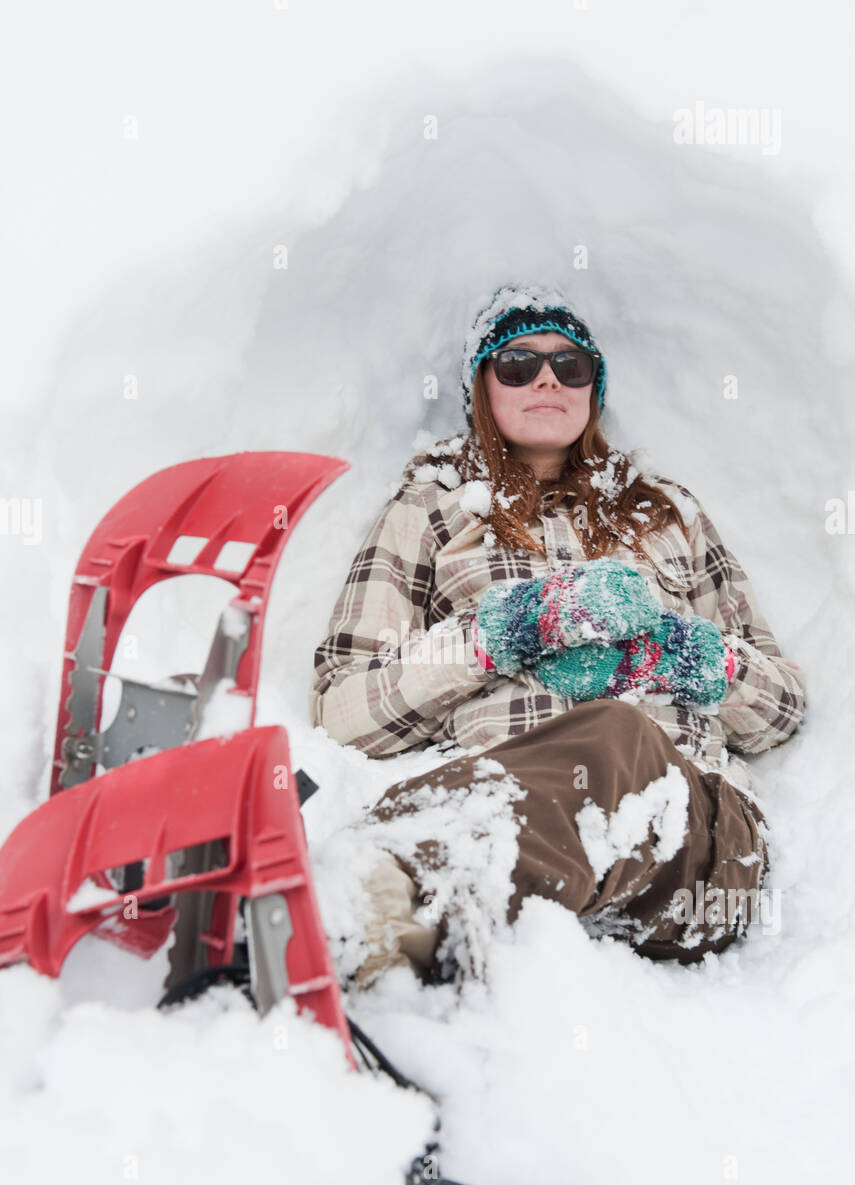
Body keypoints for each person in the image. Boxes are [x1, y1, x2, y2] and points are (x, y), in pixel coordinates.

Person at [308, 284, 807, 987]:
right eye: (516, 362)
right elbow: (341, 716)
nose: (546, 378)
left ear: (592, 390)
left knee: (616, 739)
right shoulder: (429, 511)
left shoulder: (668, 513)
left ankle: (370, 910)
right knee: (530, 775)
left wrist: (679, 654)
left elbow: (781, 711)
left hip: (692, 851)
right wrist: (500, 635)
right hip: (498, 807)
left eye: (570, 366)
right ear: (480, 385)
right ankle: (374, 913)